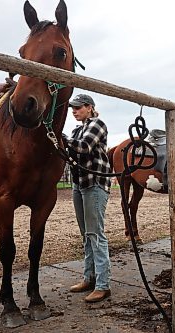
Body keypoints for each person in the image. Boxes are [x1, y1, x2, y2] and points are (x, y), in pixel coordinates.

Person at [64, 94, 112, 303]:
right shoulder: (76, 130)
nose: (73, 111)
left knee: (95, 234)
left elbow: (84, 147)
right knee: (86, 234)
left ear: (90, 108)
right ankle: (88, 277)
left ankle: (103, 285)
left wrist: (61, 138)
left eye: (77, 107)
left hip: (94, 184)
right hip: (79, 184)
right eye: (72, 108)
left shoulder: (97, 124)